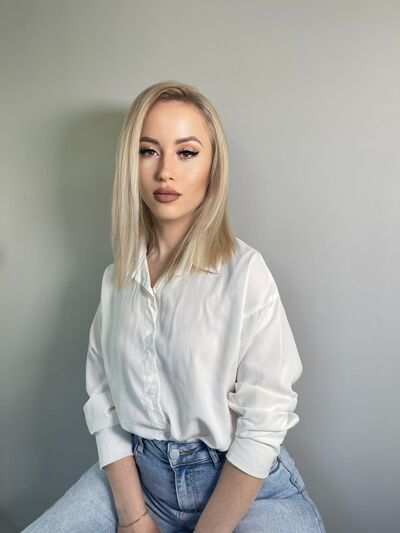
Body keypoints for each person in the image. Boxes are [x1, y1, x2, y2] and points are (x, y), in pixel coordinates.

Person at [22, 80, 326, 533]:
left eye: (186, 152)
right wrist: (134, 516)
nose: (166, 171)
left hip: (244, 490)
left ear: (212, 166)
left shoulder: (245, 273)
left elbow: (264, 422)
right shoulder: (116, 282)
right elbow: (104, 401)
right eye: (149, 151)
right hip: (140, 483)